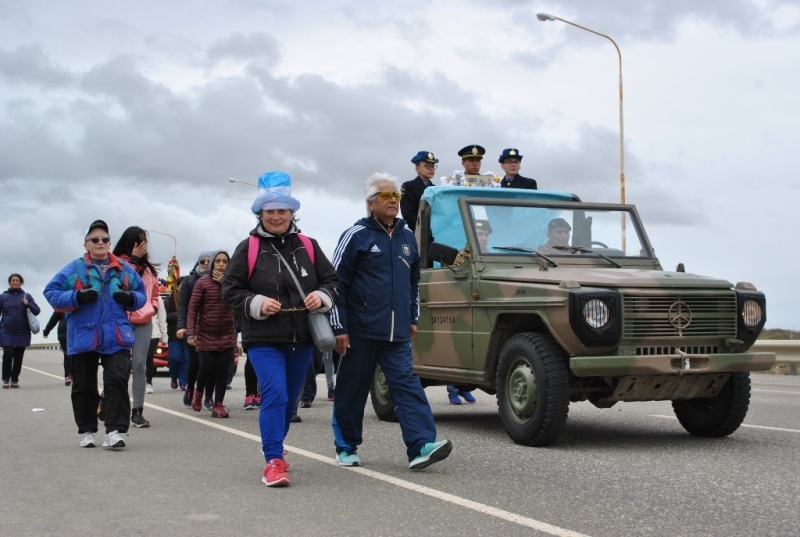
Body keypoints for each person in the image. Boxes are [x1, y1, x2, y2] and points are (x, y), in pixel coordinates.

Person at [222, 170, 339, 487]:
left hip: (302, 338)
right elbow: (230, 290)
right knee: (274, 393)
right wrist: (256, 302)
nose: (276, 216)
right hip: (263, 339)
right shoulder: (247, 248)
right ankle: (273, 460)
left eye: (282, 210)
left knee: (290, 400)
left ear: (292, 213)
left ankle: (277, 445)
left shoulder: (309, 245)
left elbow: (332, 281)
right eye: (270, 211)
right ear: (260, 213)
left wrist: (323, 295)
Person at [330, 172, 453, 470]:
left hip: (396, 335)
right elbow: (335, 284)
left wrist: (412, 318)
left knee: (409, 387)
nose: (393, 201)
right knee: (352, 389)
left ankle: (421, 445)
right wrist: (339, 327)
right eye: (386, 196)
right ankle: (346, 446)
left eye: (396, 196)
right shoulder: (356, 235)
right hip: (359, 332)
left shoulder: (407, 237)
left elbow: (414, 283)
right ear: (371, 202)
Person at [44, 219, 146, 449]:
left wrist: (131, 299)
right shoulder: (75, 268)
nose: (100, 243)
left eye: (105, 239)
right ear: (86, 244)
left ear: (110, 243)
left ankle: (115, 431)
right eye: (95, 240)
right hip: (84, 336)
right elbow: (50, 292)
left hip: (116, 335)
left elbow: (141, 292)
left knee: (117, 381)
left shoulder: (122, 268)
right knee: (84, 385)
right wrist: (76, 298)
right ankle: (87, 430)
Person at [113, 226, 160, 428]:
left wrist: (154, 307)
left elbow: (155, 293)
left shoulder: (149, 269)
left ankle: (137, 411)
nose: (143, 246)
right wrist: (133, 260)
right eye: (138, 242)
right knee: (118, 366)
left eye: (145, 242)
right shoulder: (117, 263)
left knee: (139, 364)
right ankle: (109, 401)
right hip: (121, 320)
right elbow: (121, 284)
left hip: (144, 321)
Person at [187, 250, 237, 418]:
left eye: (225, 261)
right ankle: (198, 392)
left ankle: (218, 405)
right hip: (206, 333)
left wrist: (225, 283)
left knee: (223, 370)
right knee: (206, 368)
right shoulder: (202, 283)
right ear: (213, 263)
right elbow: (193, 308)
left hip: (228, 333)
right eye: (218, 261)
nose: (222, 264)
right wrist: (190, 332)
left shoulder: (233, 282)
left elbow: (238, 302)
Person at [176, 251, 216, 409]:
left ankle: (208, 396)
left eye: (208, 261)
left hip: (213, 326)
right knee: (195, 362)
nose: (206, 263)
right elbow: (183, 305)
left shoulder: (220, 279)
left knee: (212, 364)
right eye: (202, 261)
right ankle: (190, 389)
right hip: (194, 327)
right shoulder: (189, 281)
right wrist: (182, 326)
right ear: (197, 263)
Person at [0, 274, 41, 388]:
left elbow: (37, 311)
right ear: (9, 282)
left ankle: (14, 379)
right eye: (13, 280)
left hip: (22, 331)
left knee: (18, 356)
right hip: (7, 330)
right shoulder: (3, 296)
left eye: (17, 281)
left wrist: (28, 305)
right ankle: (6, 379)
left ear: (21, 282)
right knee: (8, 353)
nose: (15, 282)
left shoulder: (26, 296)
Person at [400, 151, 439, 233]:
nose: (431, 169)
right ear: (417, 168)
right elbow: (409, 217)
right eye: (427, 165)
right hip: (418, 235)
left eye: (433, 165)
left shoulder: (436, 189)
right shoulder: (408, 187)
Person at [165, 276, 189, 390]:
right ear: (177, 286)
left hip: (189, 333)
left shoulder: (192, 299)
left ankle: (184, 382)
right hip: (173, 334)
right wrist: (180, 315)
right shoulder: (169, 300)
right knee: (175, 357)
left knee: (186, 358)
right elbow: (165, 316)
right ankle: (174, 376)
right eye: (181, 285)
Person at [146, 294, 168, 394]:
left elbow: (162, 318)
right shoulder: (135, 294)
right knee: (139, 359)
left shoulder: (157, 298)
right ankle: (139, 381)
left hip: (153, 333)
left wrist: (164, 336)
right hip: (137, 331)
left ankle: (148, 382)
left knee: (149, 356)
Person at [43, 311, 71, 385]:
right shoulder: (79, 302)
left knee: (67, 355)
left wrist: (46, 331)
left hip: (64, 333)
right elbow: (53, 319)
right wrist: (47, 330)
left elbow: (53, 319)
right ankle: (71, 375)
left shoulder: (62, 305)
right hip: (69, 333)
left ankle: (68, 376)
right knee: (73, 355)